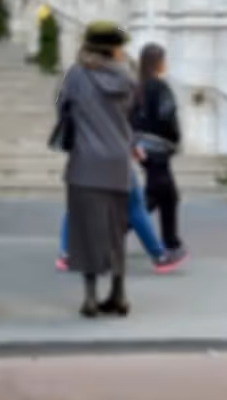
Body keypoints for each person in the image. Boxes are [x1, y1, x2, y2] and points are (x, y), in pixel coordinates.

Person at [54, 21, 135, 318]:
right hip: (118, 163)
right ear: (114, 48)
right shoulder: (126, 78)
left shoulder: (76, 75)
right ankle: (119, 294)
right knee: (116, 231)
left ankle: (90, 297)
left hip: (85, 164)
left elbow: (62, 107)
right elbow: (130, 113)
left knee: (87, 232)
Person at [56, 161, 176, 272]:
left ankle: (66, 254)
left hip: (84, 161)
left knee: (76, 205)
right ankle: (159, 256)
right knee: (134, 207)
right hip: (116, 159)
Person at [131, 42, 189, 266]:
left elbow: (131, 118)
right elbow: (167, 116)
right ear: (158, 63)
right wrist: (174, 138)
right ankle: (170, 243)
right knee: (161, 196)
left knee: (160, 196)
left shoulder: (139, 87)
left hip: (143, 147)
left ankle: (170, 241)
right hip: (159, 148)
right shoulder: (159, 87)